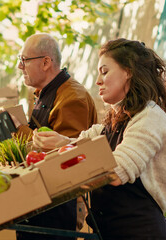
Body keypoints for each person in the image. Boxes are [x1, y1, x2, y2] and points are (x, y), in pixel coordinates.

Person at [33, 38, 166, 239]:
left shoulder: (149, 117)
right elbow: (84, 143)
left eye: (105, 71)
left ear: (128, 72)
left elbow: (117, 171)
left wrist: (67, 148)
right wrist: (61, 143)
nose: (98, 81)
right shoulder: (112, 123)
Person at [15, 33, 98, 240]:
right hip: (39, 202)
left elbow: (66, 163)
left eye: (24, 60)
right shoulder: (47, 92)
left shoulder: (72, 98)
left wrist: (17, 128)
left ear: (45, 62)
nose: (19, 67)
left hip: (55, 211)